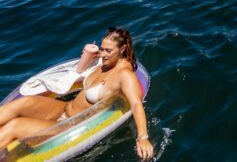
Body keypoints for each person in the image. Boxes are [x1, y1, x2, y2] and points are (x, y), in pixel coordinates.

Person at [0, 26, 153, 159]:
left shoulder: (124, 75)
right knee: (24, 102)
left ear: (123, 49)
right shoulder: (103, 63)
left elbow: (136, 104)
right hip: (63, 108)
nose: (103, 54)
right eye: (102, 49)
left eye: (108, 50)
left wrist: (142, 137)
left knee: (15, 126)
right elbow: (79, 71)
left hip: (69, 126)